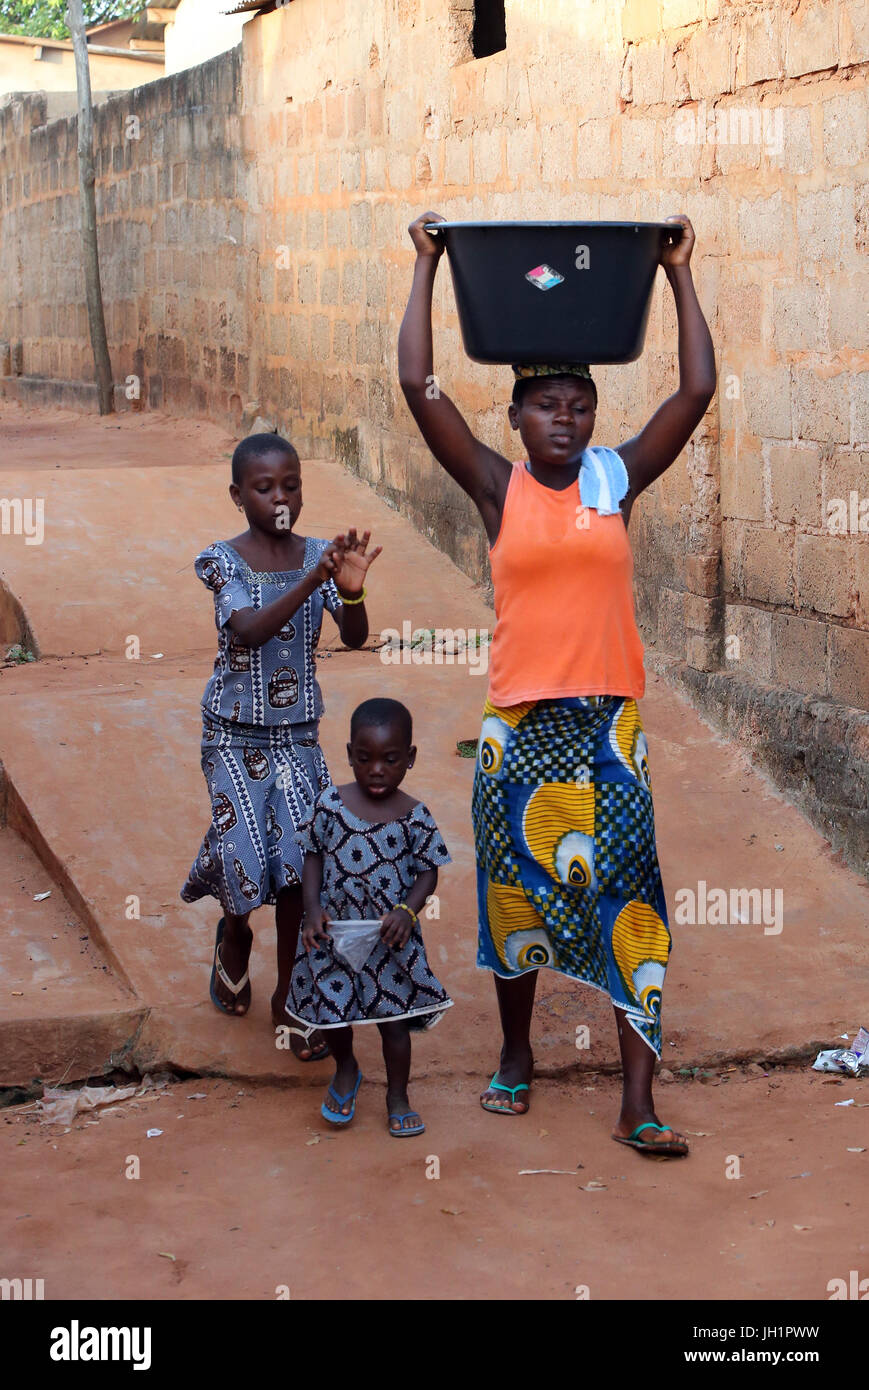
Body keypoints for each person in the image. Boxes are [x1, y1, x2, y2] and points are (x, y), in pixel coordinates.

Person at [397, 211, 715, 1156]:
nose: (565, 420)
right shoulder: (500, 489)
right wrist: (425, 268)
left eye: (579, 405)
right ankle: (514, 1055)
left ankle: (638, 1100)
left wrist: (677, 276)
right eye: (546, 407)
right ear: (516, 418)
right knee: (514, 898)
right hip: (519, 725)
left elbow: (695, 389)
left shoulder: (613, 481)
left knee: (631, 899)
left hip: (608, 727)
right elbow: (419, 384)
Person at [180, 432, 381, 1064]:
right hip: (234, 737)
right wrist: (310, 581)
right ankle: (234, 935)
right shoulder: (224, 561)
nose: (280, 497)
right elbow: (246, 631)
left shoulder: (321, 555)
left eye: (290, 484)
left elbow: (353, 636)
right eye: (264, 488)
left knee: (300, 867)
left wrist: (348, 588)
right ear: (238, 495)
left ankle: (293, 996)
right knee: (244, 868)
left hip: (297, 737)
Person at [287, 697, 453, 1135]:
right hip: (334, 933)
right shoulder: (329, 805)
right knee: (334, 1014)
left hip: (389, 938)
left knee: (394, 1024)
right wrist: (310, 911)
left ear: (410, 759)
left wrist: (407, 911)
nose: (376, 769)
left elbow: (427, 872)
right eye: (365, 759)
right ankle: (346, 1069)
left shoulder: (415, 816)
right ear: (349, 756)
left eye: (390, 759)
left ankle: (398, 1095)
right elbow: (313, 857)